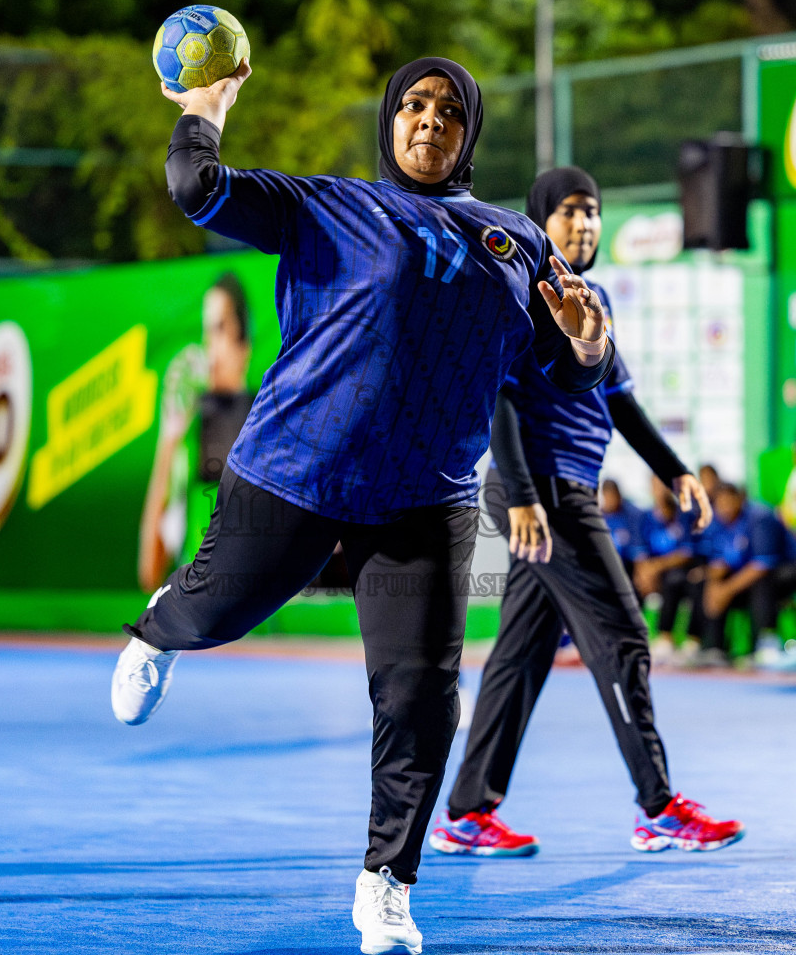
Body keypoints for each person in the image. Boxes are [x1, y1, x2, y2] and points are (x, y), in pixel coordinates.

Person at [111, 57, 613, 955]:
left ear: (471, 133)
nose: (430, 122)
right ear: (389, 120)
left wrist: (589, 346)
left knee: (422, 700)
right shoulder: (326, 205)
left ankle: (387, 881)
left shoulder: (516, 243)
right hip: (293, 474)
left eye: (450, 111)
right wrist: (207, 104)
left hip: (426, 501)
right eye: (414, 105)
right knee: (216, 612)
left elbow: (564, 368)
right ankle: (160, 630)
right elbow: (194, 186)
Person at [428, 164, 740, 866]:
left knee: (520, 657)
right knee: (623, 634)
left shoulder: (589, 299)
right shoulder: (524, 295)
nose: (585, 224)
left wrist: (674, 469)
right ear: (541, 222)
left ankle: (468, 812)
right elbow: (503, 398)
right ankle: (659, 807)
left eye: (593, 211)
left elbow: (619, 399)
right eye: (570, 211)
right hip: (546, 493)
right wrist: (523, 494)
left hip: (560, 489)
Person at [139, 271, 256, 592]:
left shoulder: (266, 426)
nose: (210, 350)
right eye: (206, 332)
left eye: (220, 329)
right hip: (202, 610)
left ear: (244, 342)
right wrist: (168, 439)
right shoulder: (190, 440)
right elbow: (149, 572)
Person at [695, 483, 796, 671]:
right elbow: (719, 563)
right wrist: (713, 586)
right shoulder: (717, 522)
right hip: (748, 575)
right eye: (719, 503)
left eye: (728, 501)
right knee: (702, 583)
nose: (724, 507)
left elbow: (762, 565)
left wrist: (726, 590)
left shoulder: (760, 517)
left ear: (740, 499)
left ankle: (767, 645)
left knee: (761, 582)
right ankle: (713, 647)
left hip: (793, 571)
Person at [636, 474, 703, 666]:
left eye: (665, 485)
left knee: (677, 581)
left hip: (679, 572)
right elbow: (639, 553)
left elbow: (686, 554)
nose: (661, 490)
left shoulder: (685, 515)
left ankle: (671, 639)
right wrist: (645, 574)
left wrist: (656, 567)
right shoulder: (645, 518)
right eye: (657, 485)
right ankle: (630, 639)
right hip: (652, 574)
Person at [599, 479, 645, 563]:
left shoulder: (632, 515)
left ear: (619, 495)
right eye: (608, 496)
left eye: (613, 496)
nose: (611, 500)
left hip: (629, 563)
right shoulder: (600, 517)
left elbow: (638, 549)